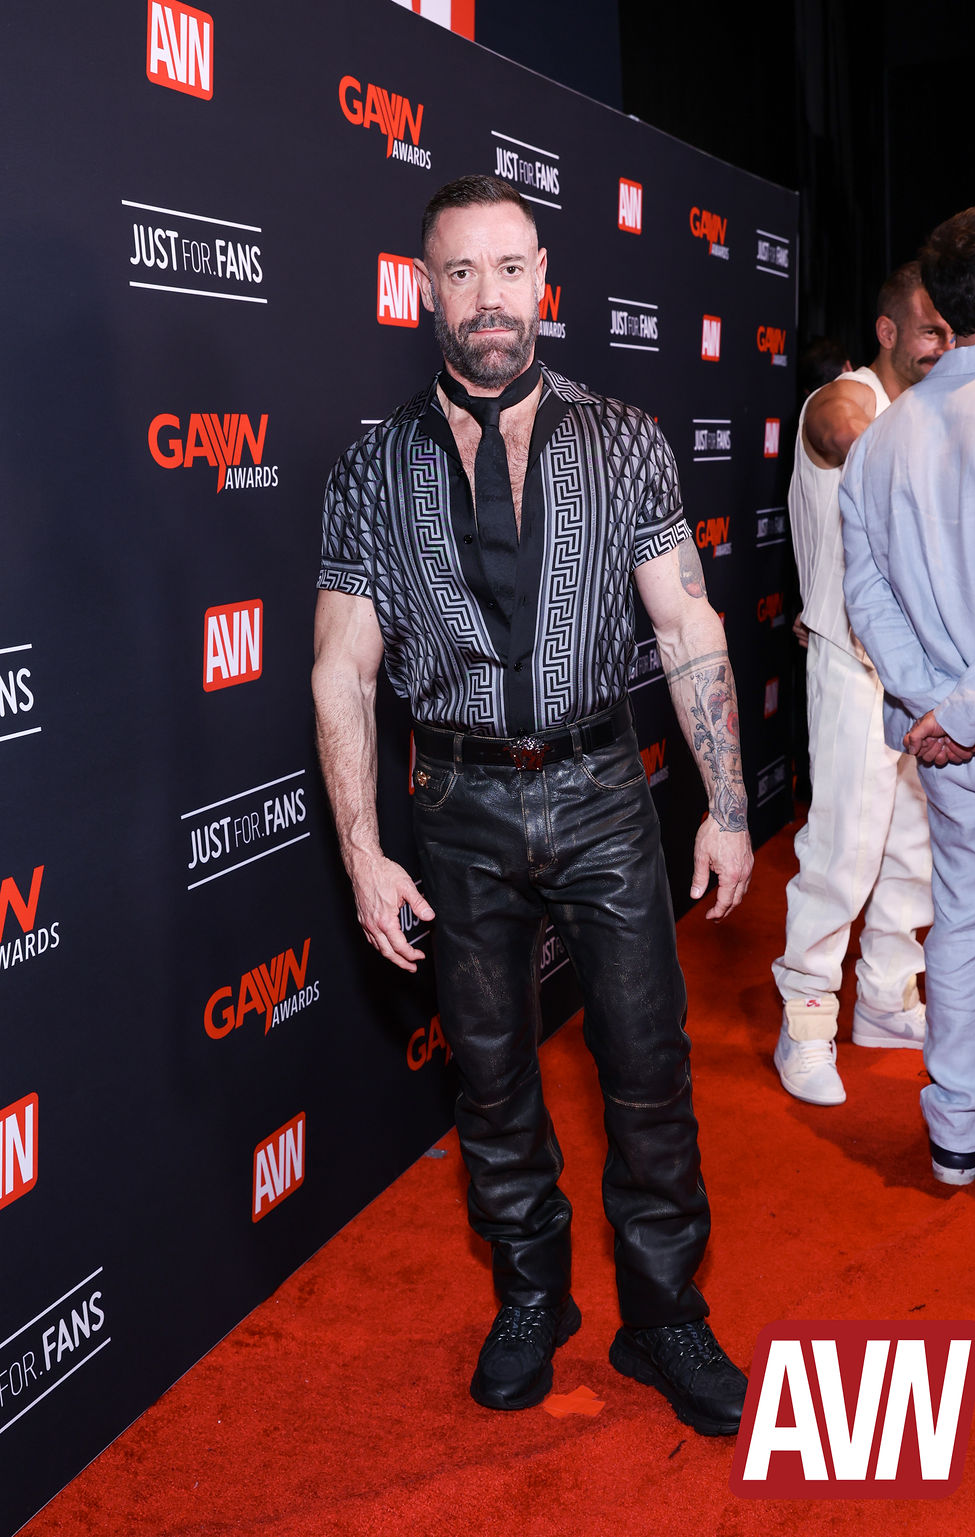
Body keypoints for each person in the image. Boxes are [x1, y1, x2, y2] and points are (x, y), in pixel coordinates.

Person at [312, 175, 753, 1429]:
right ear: (425, 290)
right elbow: (341, 664)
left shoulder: (623, 440)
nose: (489, 297)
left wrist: (725, 803)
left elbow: (687, 622)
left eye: (509, 268)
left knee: (647, 1068)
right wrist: (361, 851)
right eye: (461, 272)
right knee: (494, 1077)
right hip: (454, 803)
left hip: (604, 789)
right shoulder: (370, 467)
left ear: (543, 276)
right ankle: (530, 1297)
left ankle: (662, 1316)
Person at [841, 196, 975, 1185]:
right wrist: (964, 711)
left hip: (947, 745)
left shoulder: (881, 438)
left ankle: (956, 1132)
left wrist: (937, 711)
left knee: (965, 919)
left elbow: (866, 597)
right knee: (962, 920)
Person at [772, 265, 954, 1105]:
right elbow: (842, 428)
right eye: (928, 330)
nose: (942, 345)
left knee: (915, 849)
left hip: (924, 674)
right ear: (887, 332)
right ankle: (805, 1022)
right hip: (851, 666)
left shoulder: (936, 412)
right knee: (841, 852)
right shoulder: (842, 400)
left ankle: (884, 997)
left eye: (951, 331)